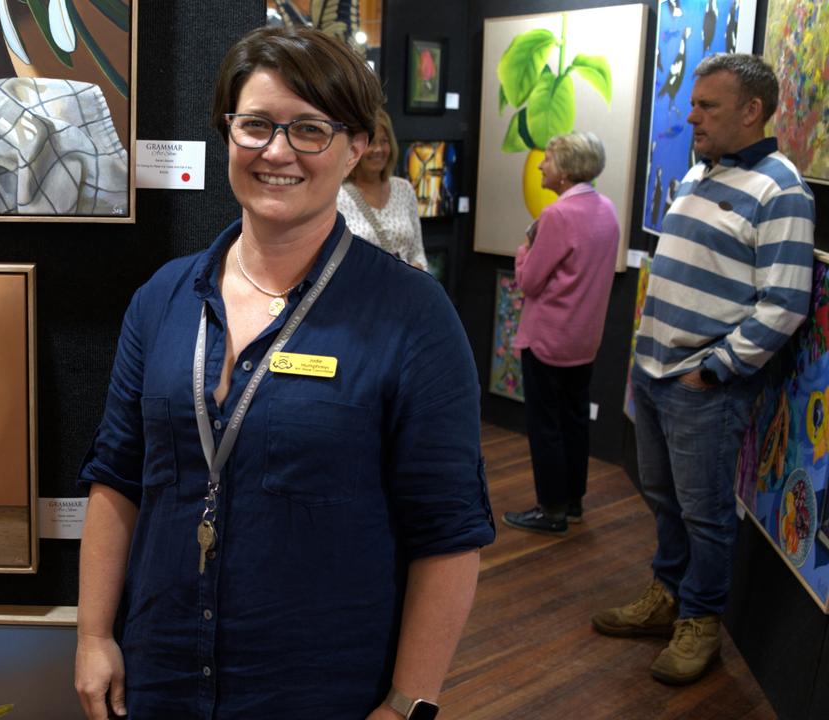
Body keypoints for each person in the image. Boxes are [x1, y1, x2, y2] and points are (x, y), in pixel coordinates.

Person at [74, 25, 494, 720]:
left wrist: (406, 704)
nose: (277, 151)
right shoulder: (162, 301)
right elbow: (117, 477)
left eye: (310, 130)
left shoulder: (413, 317)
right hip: (159, 674)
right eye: (257, 125)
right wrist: (93, 635)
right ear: (226, 133)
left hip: (320, 688)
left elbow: (447, 534)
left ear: (356, 145)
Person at [592, 53, 815, 685]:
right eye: (693, 103)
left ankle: (701, 624)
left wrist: (714, 371)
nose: (691, 115)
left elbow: (786, 301)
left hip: (701, 387)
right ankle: (667, 597)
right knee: (664, 500)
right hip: (657, 374)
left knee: (706, 514)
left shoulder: (780, 188)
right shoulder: (698, 174)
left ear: (752, 110)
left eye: (706, 106)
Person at [502, 132, 619, 535]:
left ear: (566, 170)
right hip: (583, 340)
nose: (540, 165)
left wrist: (524, 249)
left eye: (548, 159)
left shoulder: (556, 216)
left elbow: (529, 281)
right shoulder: (606, 209)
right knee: (574, 420)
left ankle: (549, 508)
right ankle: (571, 502)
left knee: (545, 424)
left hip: (548, 338)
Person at [337, 108, 428, 270]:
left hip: (403, 291)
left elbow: (417, 251)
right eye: (371, 143)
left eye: (384, 141)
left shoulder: (404, 189)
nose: (378, 149)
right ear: (355, 149)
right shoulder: (337, 195)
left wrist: (416, 272)